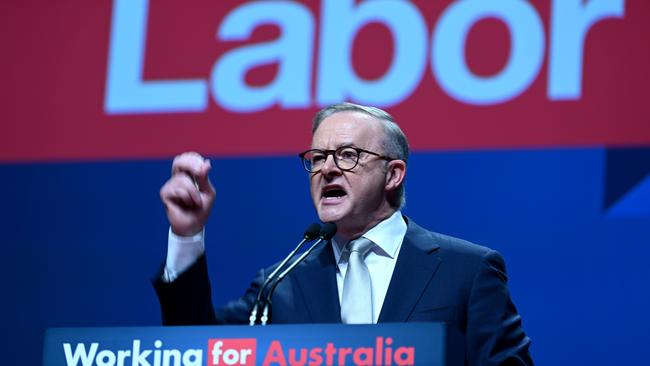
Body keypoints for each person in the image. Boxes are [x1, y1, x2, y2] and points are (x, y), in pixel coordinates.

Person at [153, 103, 533, 365]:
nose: (327, 169)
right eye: (317, 158)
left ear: (393, 173)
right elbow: (195, 348)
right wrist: (187, 235)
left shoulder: (465, 270)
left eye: (348, 155)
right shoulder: (282, 282)